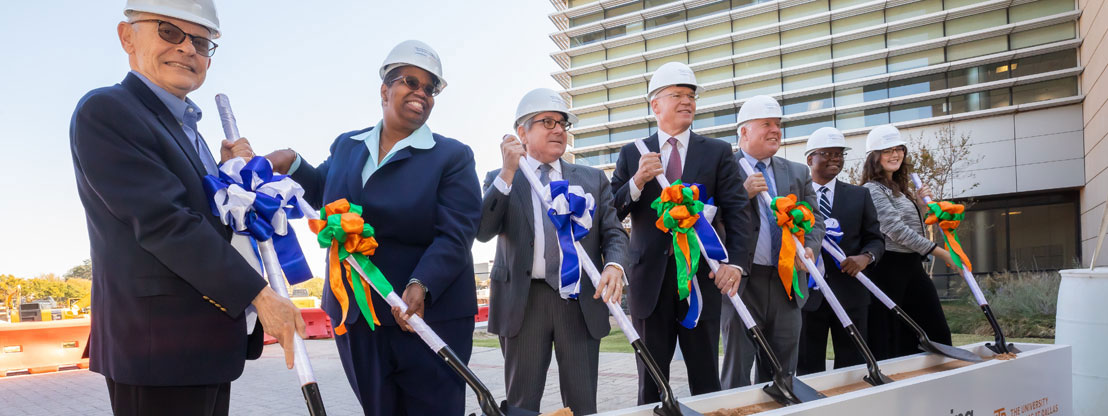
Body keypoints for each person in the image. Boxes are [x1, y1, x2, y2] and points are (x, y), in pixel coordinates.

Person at [69, 1, 304, 414]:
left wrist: (227, 173)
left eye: (200, 41)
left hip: (203, 346)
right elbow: (166, 222)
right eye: (169, 32)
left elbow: (207, 215)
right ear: (128, 37)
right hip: (156, 350)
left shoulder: (186, 131)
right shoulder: (108, 111)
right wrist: (261, 296)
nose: (187, 49)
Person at [265, 40, 482, 415]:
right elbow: (323, 194)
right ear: (385, 89)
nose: (421, 94)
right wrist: (292, 160)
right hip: (357, 315)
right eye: (410, 82)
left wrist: (421, 283)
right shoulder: (347, 145)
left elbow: (457, 231)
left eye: (430, 88)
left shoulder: (452, 156)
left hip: (426, 314)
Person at [476, 88, 629, 414]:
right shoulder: (501, 177)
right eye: (548, 122)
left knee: (583, 401)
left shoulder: (591, 179)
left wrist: (614, 265)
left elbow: (613, 232)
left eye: (563, 124)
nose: (559, 129)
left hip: (579, 301)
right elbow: (483, 231)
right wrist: (507, 172)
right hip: (523, 300)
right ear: (522, 132)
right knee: (521, 404)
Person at [609, 62, 751, 405]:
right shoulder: (633, 152)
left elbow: (738, 212)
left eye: (691, 96)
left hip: (703, 278)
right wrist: (638, 181)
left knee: (706, 377)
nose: (687, 101)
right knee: (651, 381)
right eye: (678, 95)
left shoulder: (717, 151)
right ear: (655, 104)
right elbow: (612, 211)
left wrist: (737, 264)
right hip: (649, 282)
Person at [725, 94, 823, 388]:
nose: (775, 130)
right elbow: (708, 220)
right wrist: (742, 194)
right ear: (744, 131)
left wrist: (809, 248)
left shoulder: (797, 172)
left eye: (778, 125)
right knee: (737, 370)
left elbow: (815, 220)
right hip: (742, 280)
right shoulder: (724, 170)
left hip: (787, 283)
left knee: (783, 370)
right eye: (766, 124)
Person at [861, 124, 954, 360]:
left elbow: (910, 227)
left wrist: (923, 207)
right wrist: (940, 252)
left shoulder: (900, 190)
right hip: (888, 267)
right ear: (874, 157)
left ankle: (929, 377)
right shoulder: (872, 189)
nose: (895, 155)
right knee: (890, 333)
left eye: (898, 149)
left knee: (933, 328)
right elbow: (895, 230)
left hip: (911, 265)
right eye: (887, 150)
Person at [796, 127, 885, 375]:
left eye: (840, 154)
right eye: (827, 153)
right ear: (809, 159)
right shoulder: (792, 198)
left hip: (850, 294)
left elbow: (876, 240)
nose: (835, 158)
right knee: (807, 368)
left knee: (854, 367)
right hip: (807, 296)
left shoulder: (860, 195)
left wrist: (865, 258)